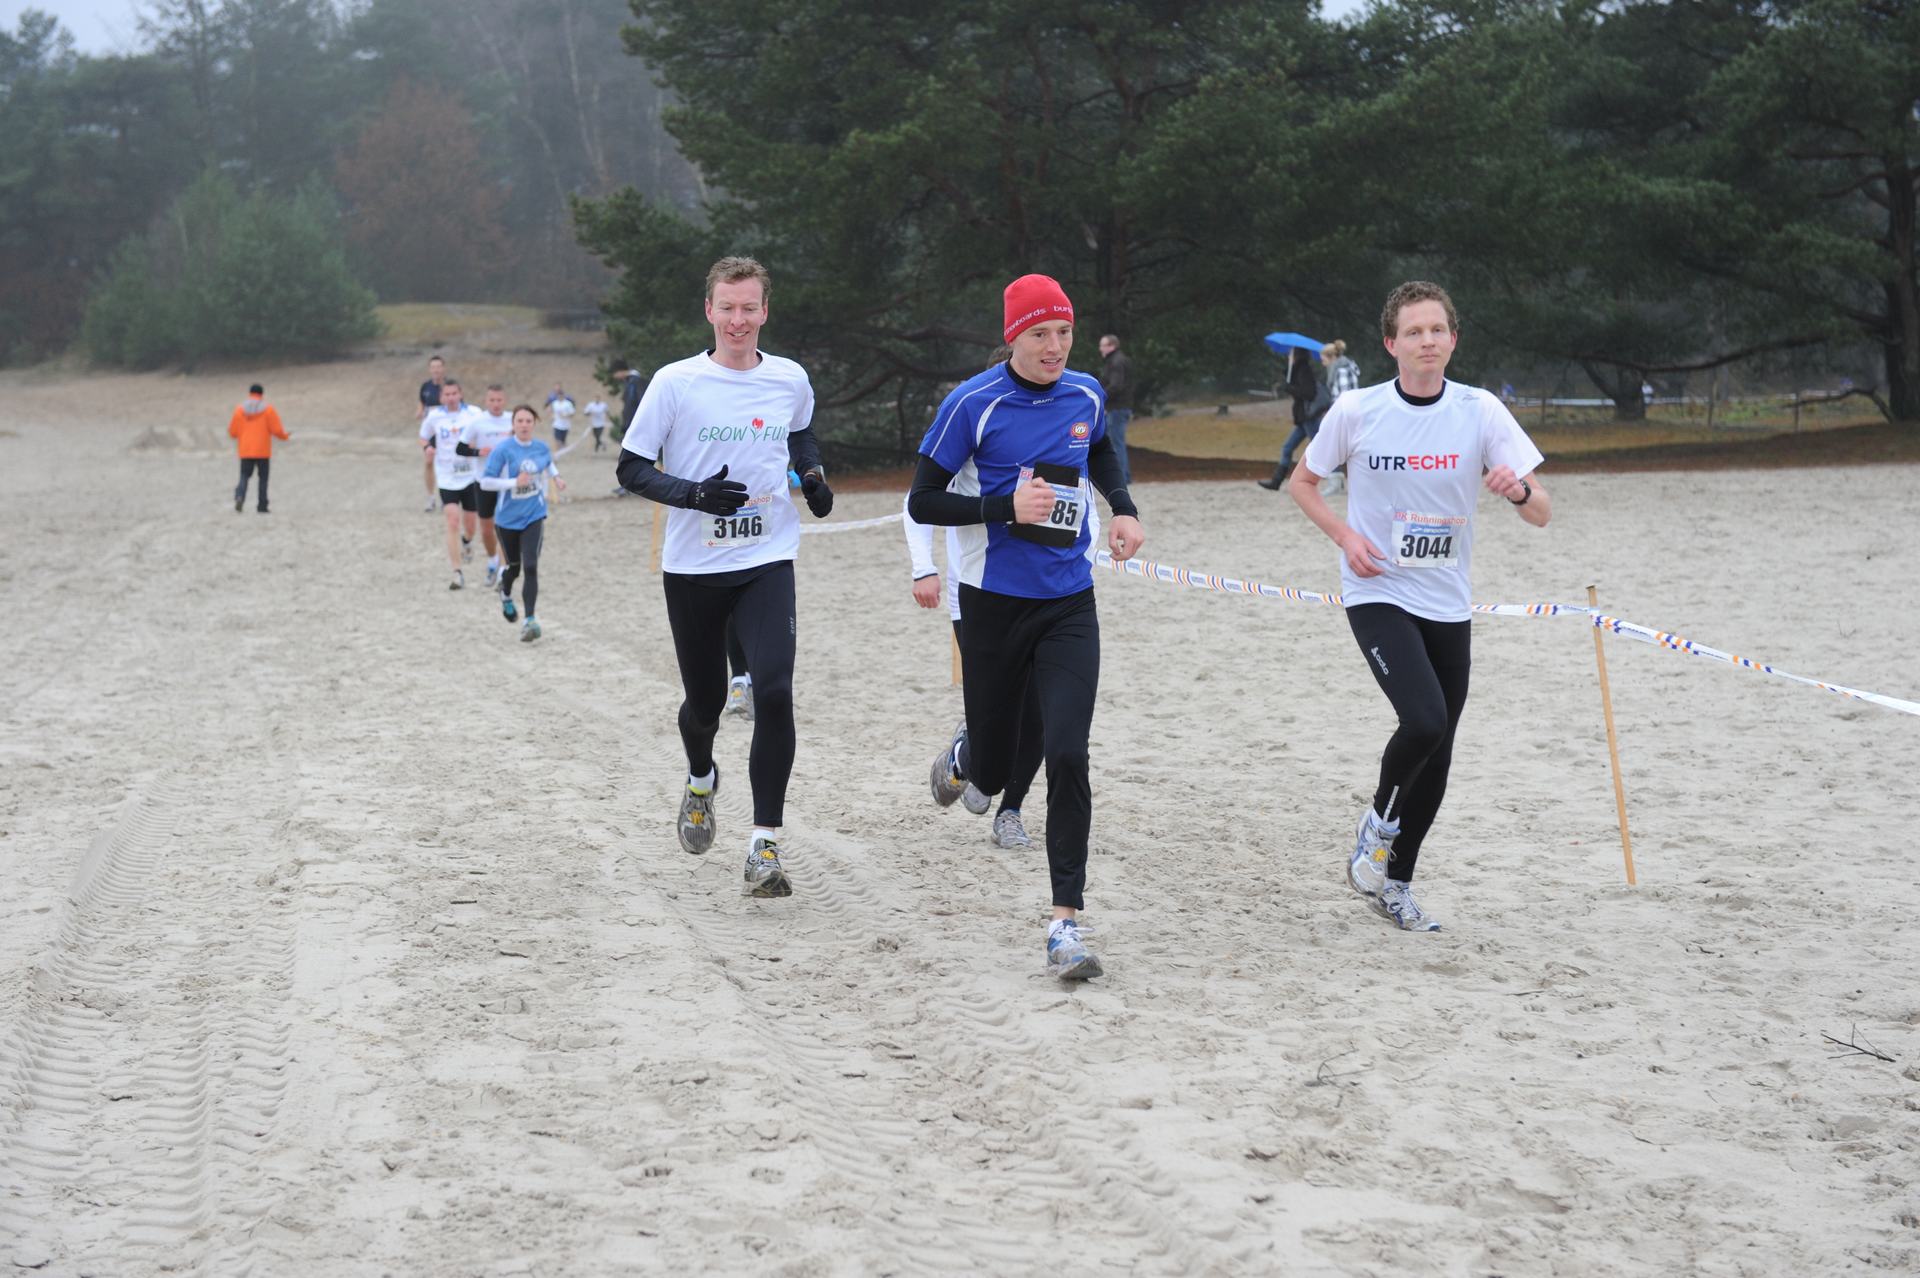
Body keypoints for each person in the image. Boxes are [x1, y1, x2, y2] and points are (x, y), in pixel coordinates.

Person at [1287, 280, 1551, 932]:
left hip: (1447, 600)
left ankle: (1397, 885)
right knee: (1425, 720)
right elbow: (1303, 482)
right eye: (1414, 332)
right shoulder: (1358, 410)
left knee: (1440, 749)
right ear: (1391, 344)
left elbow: (1543, 511)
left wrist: (1518, 492)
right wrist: (1346, 537)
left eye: (1437, 330)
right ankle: (1378, 822)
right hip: (1376, 590)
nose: (1427, 341)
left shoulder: (1481, 410)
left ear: (1453, 340)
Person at [909, 274, 1145, 980]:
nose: (1054, 346)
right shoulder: (972, 403)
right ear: (1013, 335)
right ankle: (968, 754)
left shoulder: (1085, 394)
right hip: (992, 604)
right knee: (991, 768)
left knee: (1068, 753)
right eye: (1040, 333)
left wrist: (1123, 507)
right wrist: (1003, 508)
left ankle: (1064, 924)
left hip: (1069, 602)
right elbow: (923, 500)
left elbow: (1099, 450)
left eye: (1064, 333)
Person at [615, 256, 836, 899]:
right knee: (705, 705)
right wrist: (692, 494)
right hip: (693, 567)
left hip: (767, 558)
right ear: (709, 310)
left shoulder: (789, 377)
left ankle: (764, 844)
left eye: (749, 308)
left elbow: (802, 436)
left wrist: (813, 476)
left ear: (765, 311)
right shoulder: (676, 382)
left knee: (775, 691)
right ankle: (700, 778)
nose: (738, 320)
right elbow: (631, 468)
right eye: (728, 308)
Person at [479, 405, 566, 642]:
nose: (524, 425)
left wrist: (556, 478)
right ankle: (505, 593)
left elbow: (547, 462)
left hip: (534, 514)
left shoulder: (541, 447)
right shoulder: (503, 450)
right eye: (520, 421)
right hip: (507, 519)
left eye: (529, 421)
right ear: (513, 424)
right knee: (514, 567)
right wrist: (513, 483)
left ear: (534, 424)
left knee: (531, 565)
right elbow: (486, 482)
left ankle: (529, 621)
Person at [420, 379, 484, 590]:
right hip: (447, 476)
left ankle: (467, 541)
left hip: (470, 475)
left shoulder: (474, 413)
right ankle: (457, 572)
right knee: (453, 521)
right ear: (441, 397)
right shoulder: (434, 416)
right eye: (446, 394)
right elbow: (423, 437)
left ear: (461, 394)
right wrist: (428, 448)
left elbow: (484, 433)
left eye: (454, 393)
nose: (450, 398)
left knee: (471, 525)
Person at [456, 385, 514, 585]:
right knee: (487, 530)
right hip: (484, 482)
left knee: (505, 527)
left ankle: (503, 571)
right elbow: (460, 448)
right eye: (492, 400)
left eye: (499, 400)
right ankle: (492, 560)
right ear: (486, 401)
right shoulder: (477, 422)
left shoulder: (512, 419)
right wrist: (478, 452)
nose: (496, 404)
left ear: (504, 401)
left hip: (506, 483)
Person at [1258, 345, 1326, 490]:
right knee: (1287, 447)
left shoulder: (1304, 370)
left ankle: (1337, 476)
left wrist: (1290, 388)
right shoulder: (1297, 370)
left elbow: (1309, 393)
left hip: (1308, 417)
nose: (1289, 355)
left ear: (1296, 354)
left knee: (1322, 446)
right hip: (1303, 418)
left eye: (1291, 353)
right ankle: (1276, 481)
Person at [228, 383, 288, 514]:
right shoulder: (268, 410)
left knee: (244, 476)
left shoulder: (239, 410)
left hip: (245, 450)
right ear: (261, 394)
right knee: (263, 479)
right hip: (262, 450)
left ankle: (240, 496)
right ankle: (262, 505)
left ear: (250, 393)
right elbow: (276, 429)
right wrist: (285, 436)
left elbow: (232, 432)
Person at [1318, 341, 1362, 496]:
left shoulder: (1341, 370)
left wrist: (1334, 414)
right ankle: (1340, 482)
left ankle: (1337, 483)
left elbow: (1344, 396)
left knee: (1338, 447)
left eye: (1323, 359)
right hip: (1347, 414)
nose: (1322, 362)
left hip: (1346, 415)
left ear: (1331, 357)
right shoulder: (1341, 368)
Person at [1097, 334, 1135, 487]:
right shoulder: (1120, 360)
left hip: (1116, 408)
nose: (1100, 349)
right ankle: (1124, 476)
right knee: (1117, 442)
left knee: (1115, 443)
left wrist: (1100, 398)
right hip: (1121, 407)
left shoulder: (1116, 362)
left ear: (1111, 346)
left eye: (1103, 345)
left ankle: (1122, 478)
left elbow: (1116, 385)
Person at [416, 355, 448, 512]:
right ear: (430, 369)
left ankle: (445, 498)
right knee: (429, 462)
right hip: (430, 433)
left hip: (445, 432)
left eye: (439, 366)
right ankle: (430, 498)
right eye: (433, 367)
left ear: (443, 368)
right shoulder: (425, 387)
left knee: (445, 463)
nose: (436, 370)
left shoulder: (449, 387)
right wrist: (419, 412)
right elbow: (422, 404)